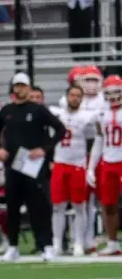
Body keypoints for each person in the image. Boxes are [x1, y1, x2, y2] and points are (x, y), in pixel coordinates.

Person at [0, 73, 64, 260]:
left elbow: (61, 129)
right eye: (17, 86)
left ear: (29, 88)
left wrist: (45, 149)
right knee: (12, 207)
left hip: (33, 164)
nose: (20, 89)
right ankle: (13, 246)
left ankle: (47, 245)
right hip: (13, 163)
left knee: (38, 206)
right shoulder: (6, 110)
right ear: (13, 88)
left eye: (23, 86)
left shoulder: (38, 110)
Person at [51, 83, 95, 256]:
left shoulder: (87, 117)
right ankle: (57, 243)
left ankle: (78, 242)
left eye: (78, 95)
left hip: (78, 165)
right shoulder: (57, 115)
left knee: (79, 206)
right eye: (72, 95)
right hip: (60, 162)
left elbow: (94, 140)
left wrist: (89, 165)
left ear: (82, 98)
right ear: (67, 97)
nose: (75, 98)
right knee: (58, 206)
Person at [88, 76, 122, 256]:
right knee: (108, 204)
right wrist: (91, 167)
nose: (113, 96)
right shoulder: (101, 113)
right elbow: (99, 141)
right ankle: (112, 243)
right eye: (109, 92)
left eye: (117, 91)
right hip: (108, 162)